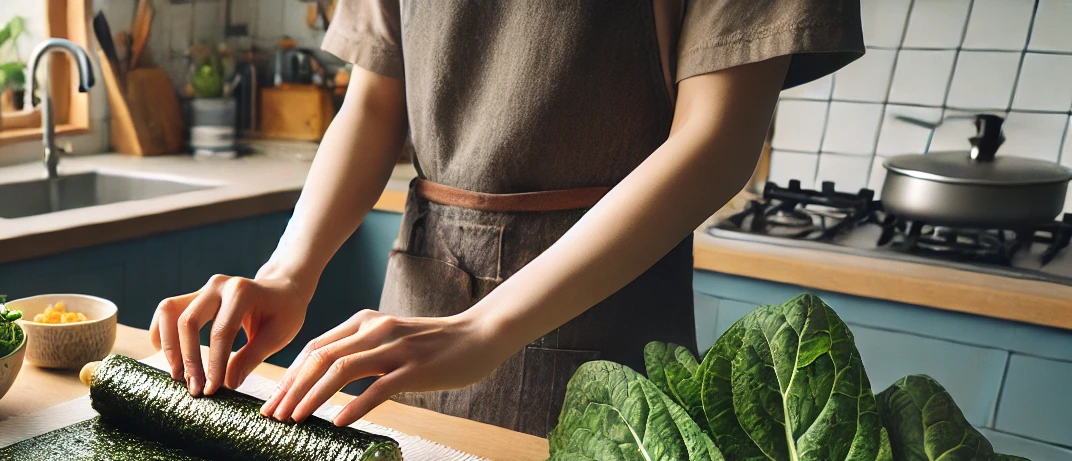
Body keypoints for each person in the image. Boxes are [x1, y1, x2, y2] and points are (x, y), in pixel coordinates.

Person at [151, 0, 863, 435]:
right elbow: (372, 102)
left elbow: (716, 141)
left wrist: (486, 325)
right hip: (422, 291)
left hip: (603, 315)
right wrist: (288, 272)